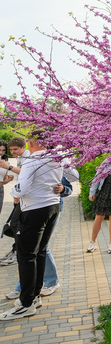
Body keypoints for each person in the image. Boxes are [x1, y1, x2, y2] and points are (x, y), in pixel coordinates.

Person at [0, 132, 62, 319]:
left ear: (32, 142)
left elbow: (23, 188)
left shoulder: (32, 160)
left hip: (34, 209)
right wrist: (60, 186)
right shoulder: (57, 157)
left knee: (26, 256)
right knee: (40, 251)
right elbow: (73, 175)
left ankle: (26, 303)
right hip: (52, 206)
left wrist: (14, 191)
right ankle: (33, 296)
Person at [6, 175, 76, 301]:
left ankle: (49, 282)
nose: (13, 153)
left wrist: (62, 189)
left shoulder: (52, 163)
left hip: (48, 211)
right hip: (28, 210)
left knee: (40, 248)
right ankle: (26, 288)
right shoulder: (28, 161)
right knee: (32, 250)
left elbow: (69, 188)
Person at [0, 137, 32, 267]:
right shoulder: (20, 157)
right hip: (20, 195)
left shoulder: (28, 158)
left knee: (16, 225)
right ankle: (17, 250)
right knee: (15, 225)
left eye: (15, 149)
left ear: (24, 147)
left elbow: (26, 174)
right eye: (11, 150)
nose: (11, 152)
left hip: (27, 198)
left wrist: (9, 168)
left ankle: (19, 251)